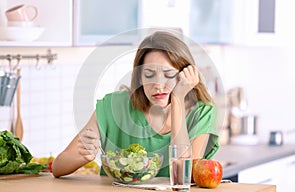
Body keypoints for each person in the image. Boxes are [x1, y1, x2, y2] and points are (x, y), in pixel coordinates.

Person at [52, 31, 219, 178]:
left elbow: (184, 174)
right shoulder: (115, 106)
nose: (158, 85)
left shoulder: (202, 113)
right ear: (139, 77)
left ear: (186, 75)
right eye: (149, 74)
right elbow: (58, 167)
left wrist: (177, 99)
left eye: (168, 75)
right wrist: (83, 155)